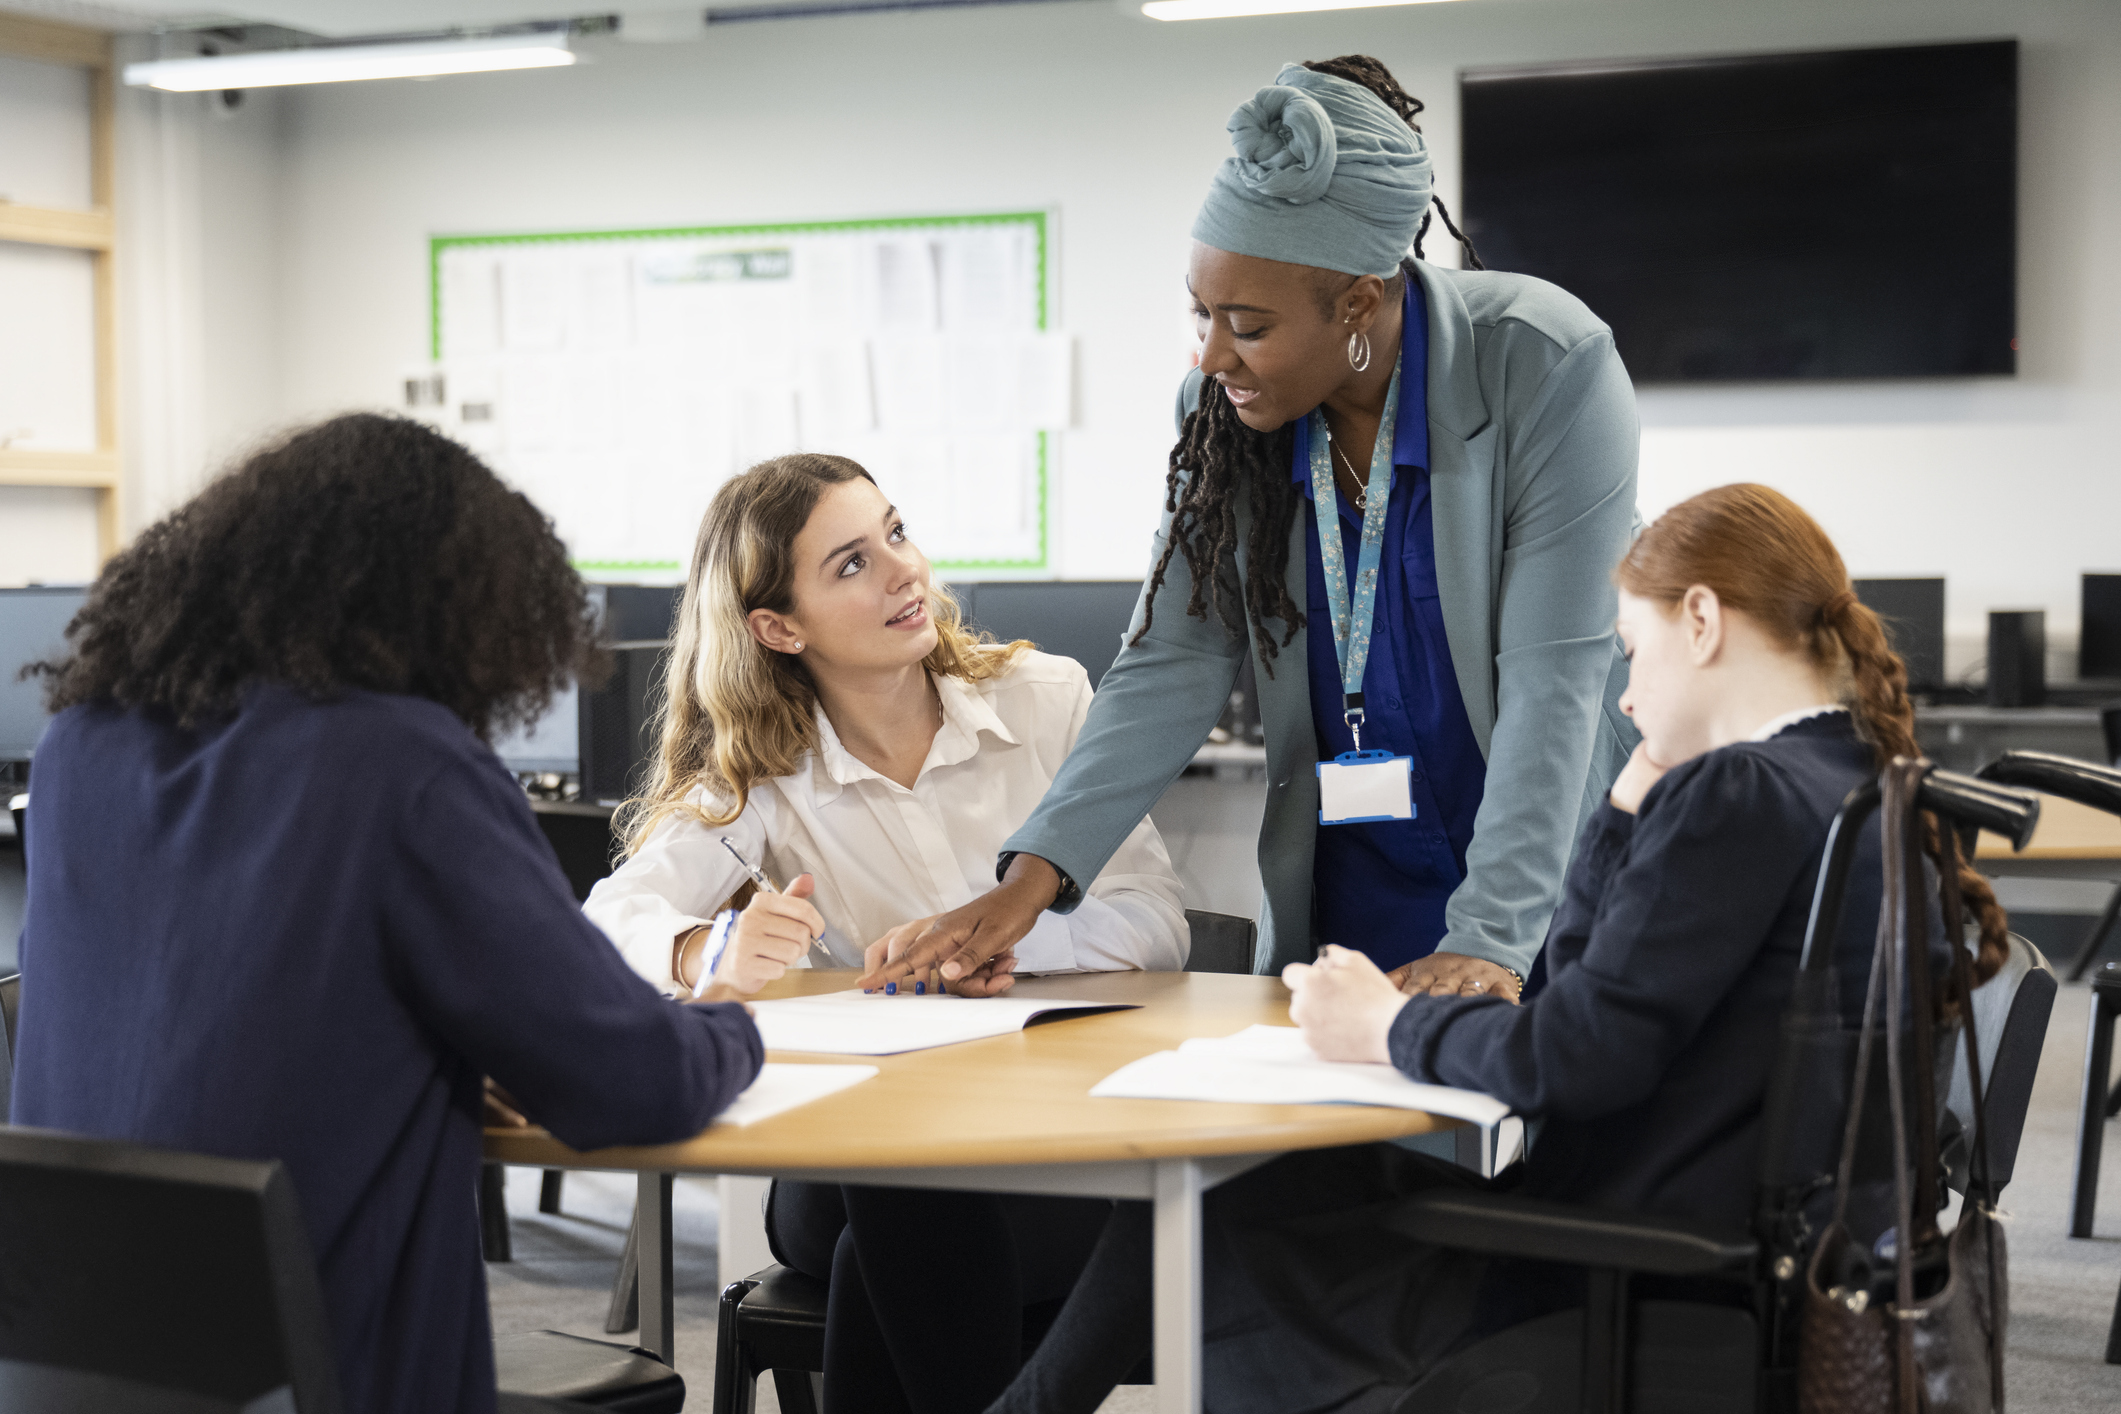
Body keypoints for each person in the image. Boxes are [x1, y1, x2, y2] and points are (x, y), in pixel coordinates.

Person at [982, 484, 2010, 1414]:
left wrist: (1386, 1023)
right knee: (1264, 1185)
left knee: (1217, 1203)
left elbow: (1568, 1055)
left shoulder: (1739, 792)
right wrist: (1616, 810)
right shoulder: (1859, 785)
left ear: (1702, 621)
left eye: (1632, 651)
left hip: (1617, 1270)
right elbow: (1579, 999)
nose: (1625, 696)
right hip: (1744, 1259)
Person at [7, 414, 763, 1414]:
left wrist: (441, 1059)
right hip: (334, 1373)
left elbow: (227, 1005)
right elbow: (634, 1082)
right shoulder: (402, 764)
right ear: (455, 606)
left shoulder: (79, 748)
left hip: (83, 1367)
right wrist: (737, 1020)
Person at [865, 54, 1639, 1007]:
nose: (1211, 353)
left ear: (1359, 300)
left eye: (1248, 324)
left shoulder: (1543, 362)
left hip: (1543, 875)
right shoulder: (1224, 412)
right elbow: (1171, 657)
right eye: (1200, 313)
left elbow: (1553, 679)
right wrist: (1030, 881)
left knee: (1550, 1138)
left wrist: (1489, 940)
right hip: (1357, 874)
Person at [582, 452, 1187, 1414]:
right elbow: (611, 918)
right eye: (851, 564)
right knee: (902, 1187)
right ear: (778, 628)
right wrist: (710, 952)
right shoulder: (761, 769)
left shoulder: (1047, 702)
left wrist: (1011, 939)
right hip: (850, 1158)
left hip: (1044, 1145)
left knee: (895, 1240)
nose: (905, 570)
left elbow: (1157, 922)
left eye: (895, 532)